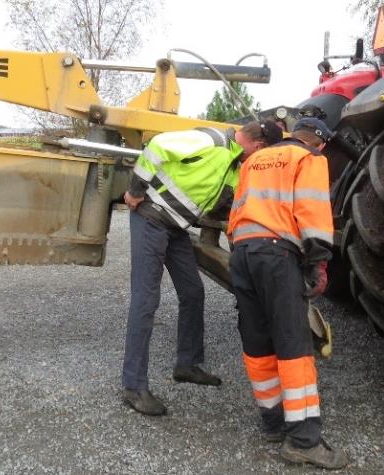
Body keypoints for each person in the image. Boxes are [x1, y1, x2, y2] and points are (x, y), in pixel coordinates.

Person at [121, 120, 283, 416]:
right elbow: (157, 147)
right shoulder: (212, 141)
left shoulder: (235, 166)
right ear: (258, 146)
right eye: (261, 154)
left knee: (193, 293)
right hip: (151, 217)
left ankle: (187, 364)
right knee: (146, 300)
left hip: (176, 228)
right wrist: (134, 191)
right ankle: (133, 386)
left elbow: (231, 207)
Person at [227, 117, 350, 470]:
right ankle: (303, 441)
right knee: (294, 345)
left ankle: (272, 422)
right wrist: (319, 263)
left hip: (243, 252)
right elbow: (311, 211)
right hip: (276, 255)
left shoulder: (254, 160)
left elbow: (237, 212)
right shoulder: (308, 159)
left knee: (257, 340)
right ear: (321, 143)